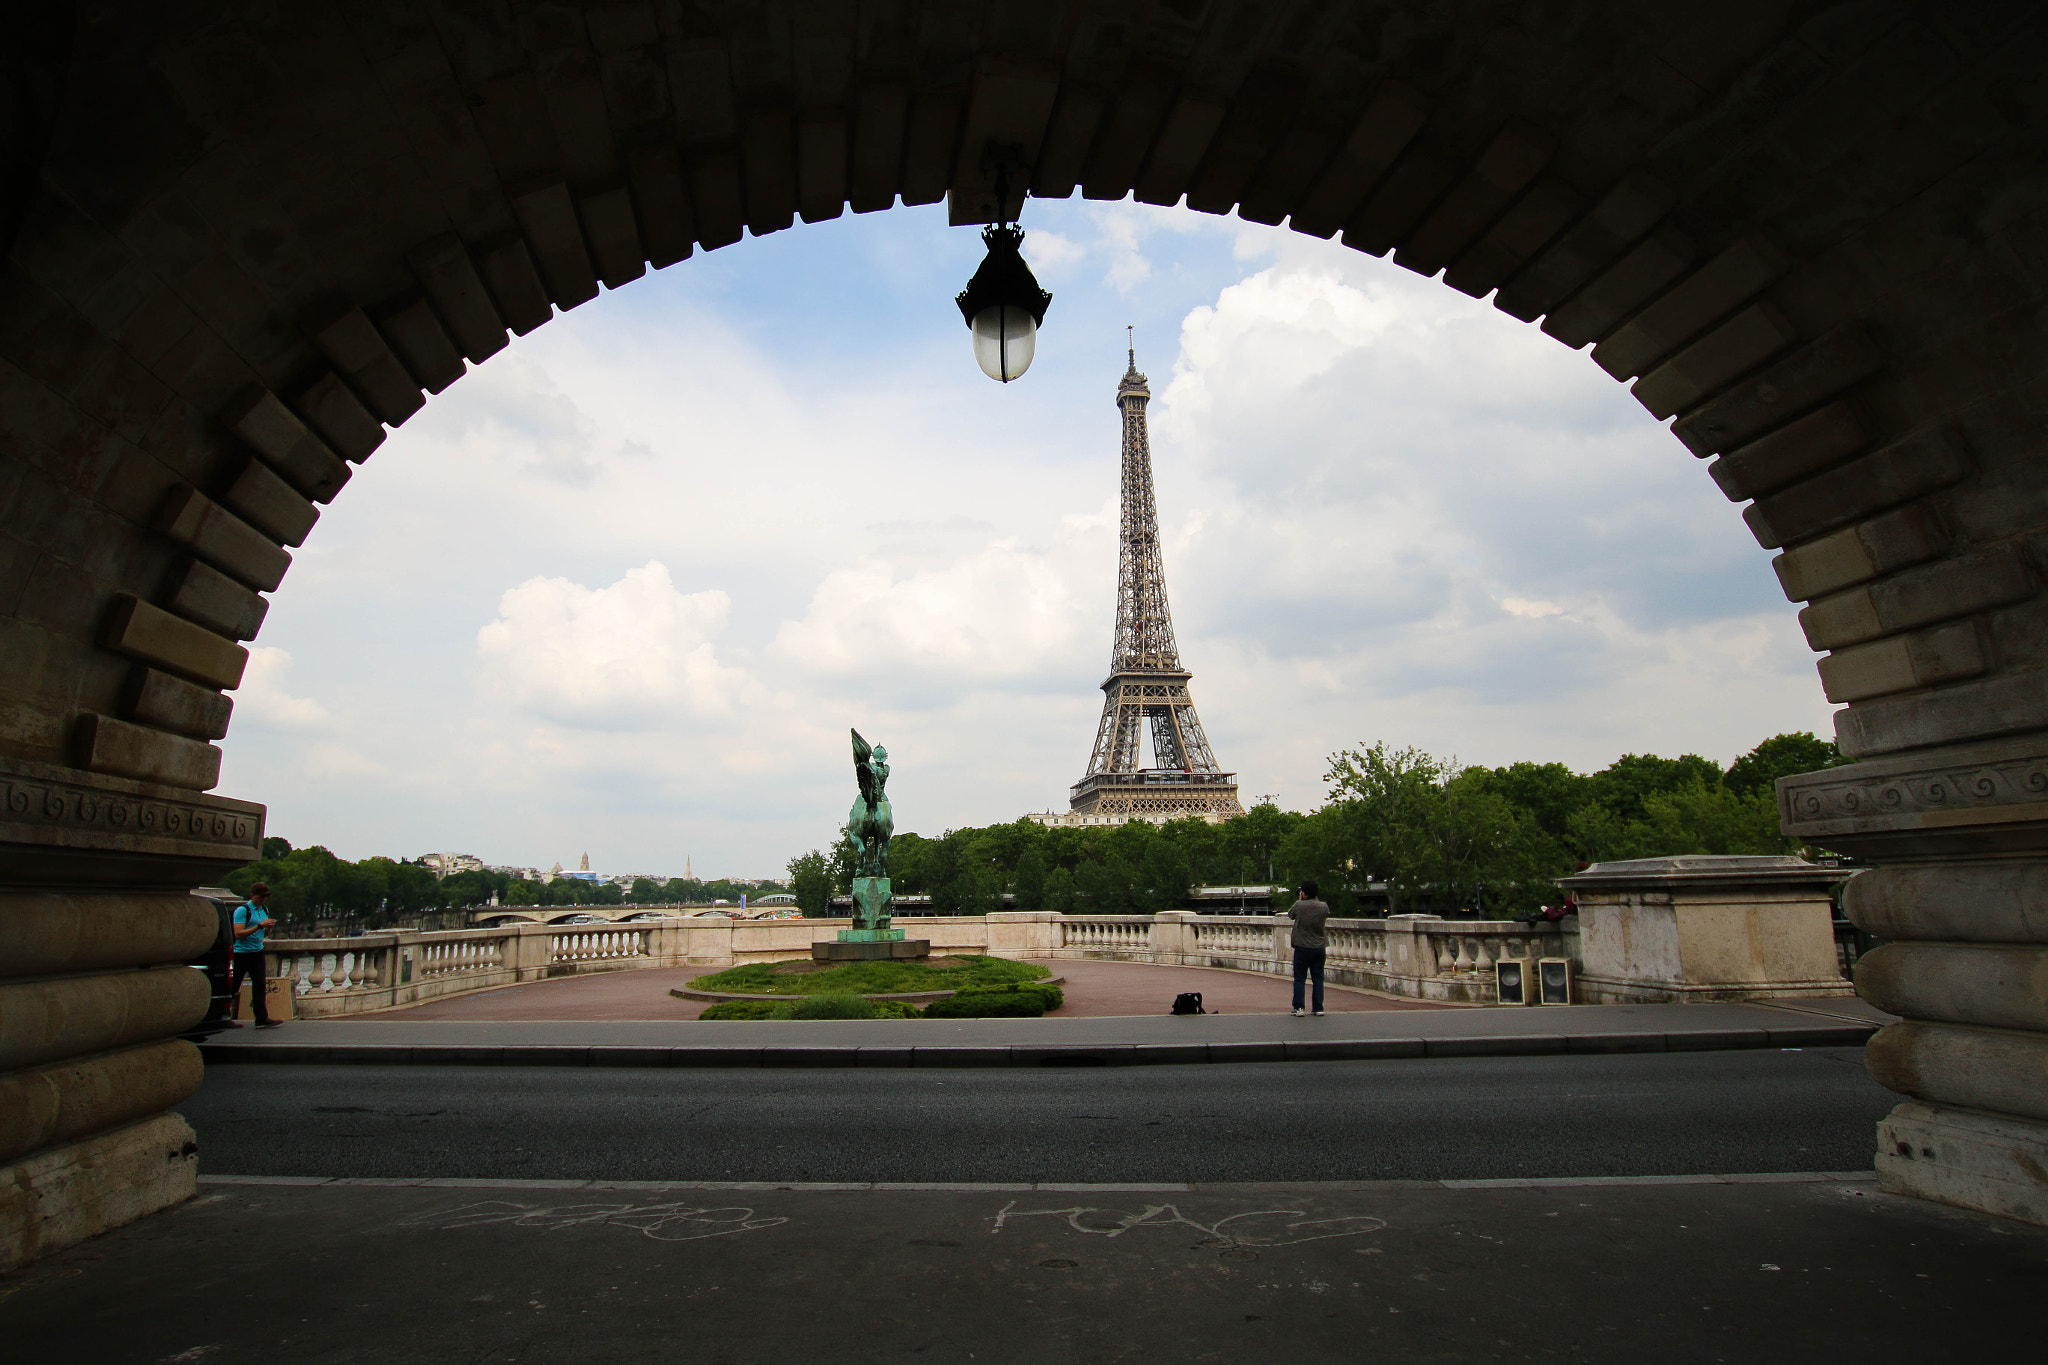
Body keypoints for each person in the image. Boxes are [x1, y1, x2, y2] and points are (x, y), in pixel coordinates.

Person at [231, 883, 282, 1028]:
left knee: (259, 984)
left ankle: (261, 1018)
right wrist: (259, 926)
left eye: (265, 897)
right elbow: (238, 934)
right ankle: (221, 1015)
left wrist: (268, 929)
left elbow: (264, 934)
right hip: (241, 953)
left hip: (257, 951)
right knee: (234, 985)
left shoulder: (264, 909)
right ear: (252, 895)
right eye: (261, 897)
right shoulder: (242, 911)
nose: (263, 900)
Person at [1288, 880, 1331, 1017]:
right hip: (1319, 946)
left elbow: (1290, 915)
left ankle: (1299, 1007)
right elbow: (1326, 915)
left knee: (1300, 978)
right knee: (1318, 978)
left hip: (1302, 946)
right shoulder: (1323, 906)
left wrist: (1300, 900)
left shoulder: (1299, 905)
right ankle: (1318, 1007)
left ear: (1304, 893)